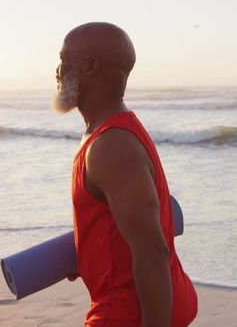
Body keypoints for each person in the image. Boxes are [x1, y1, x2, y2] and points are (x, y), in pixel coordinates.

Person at [53, 22, 198, 327]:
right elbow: (125, 229)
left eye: (65, 59)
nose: (58, 70)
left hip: (125, 316)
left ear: (90, 67)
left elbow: (152, 251)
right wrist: (88, 254)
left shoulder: (111, 146)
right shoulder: (111, 133)